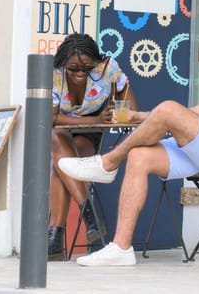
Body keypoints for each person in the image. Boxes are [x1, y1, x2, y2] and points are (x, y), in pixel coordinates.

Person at [57, 14, 199, 267]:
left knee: (168, 109)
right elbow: (192, 115)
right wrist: (138, 115)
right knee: (140, 155)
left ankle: (109, 163)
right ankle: (121, 247)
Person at [49, 33, 138, 260]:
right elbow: (51, 118)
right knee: (58, 139)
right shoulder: (54, 73)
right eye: (74, 68)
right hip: (62, 131)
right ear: (63, 64)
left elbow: (130, 109)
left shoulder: (107, 69)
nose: (80, 74)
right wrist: (93, 119)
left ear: (96, 63)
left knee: (61, 166)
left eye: (87, 68)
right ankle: (90, 216)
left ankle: (55, 239)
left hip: (89, 136)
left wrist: (118, 112)